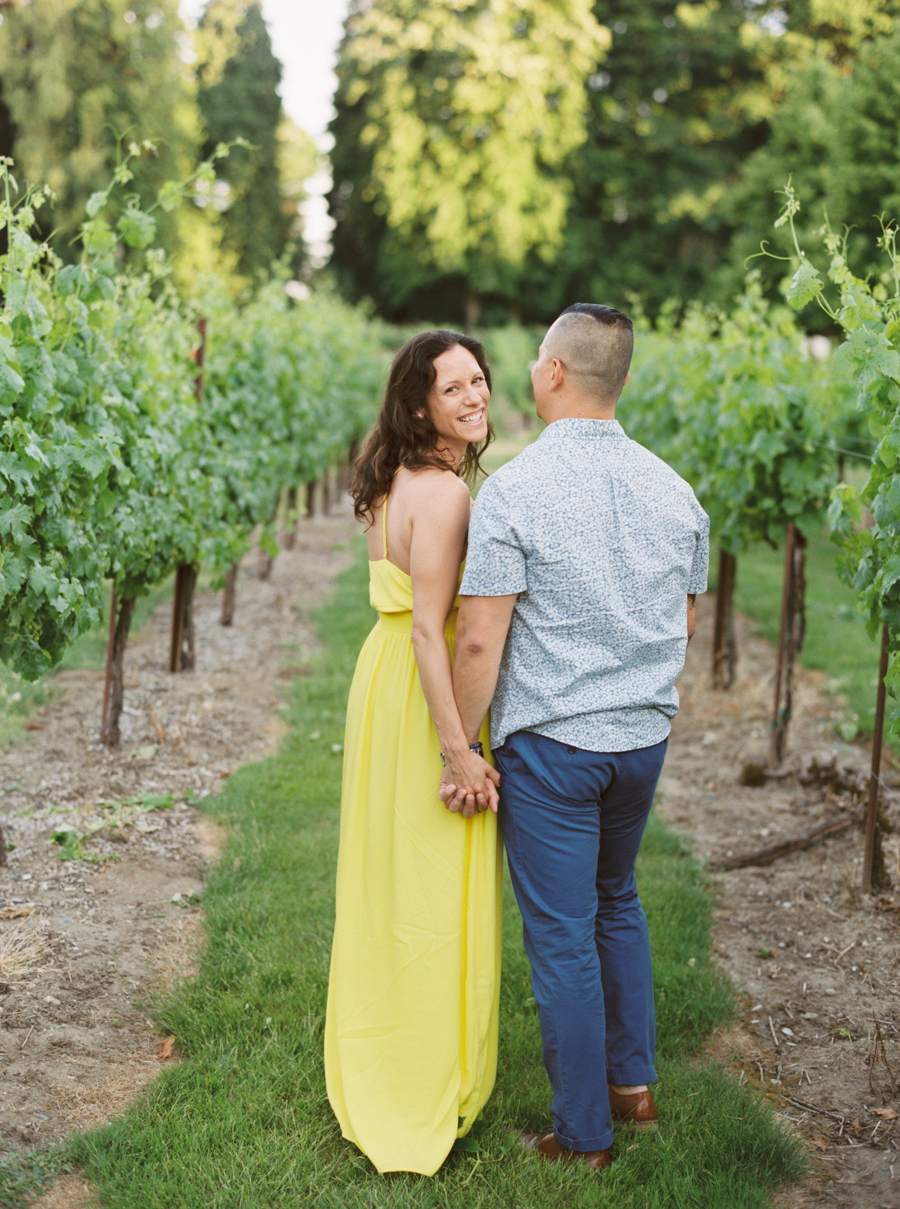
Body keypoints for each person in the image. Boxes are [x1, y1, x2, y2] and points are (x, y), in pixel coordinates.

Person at [444, 303, 709, 1170]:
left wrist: (461, 743)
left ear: (554, 372)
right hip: (642, 740)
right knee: (617, 899)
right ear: (621, 380)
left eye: (533, 363)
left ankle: (583, 1134)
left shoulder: (515, 490)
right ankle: (633, 1085)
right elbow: (684, 621)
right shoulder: (676, 490)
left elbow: (480, 638)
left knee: (561, 932)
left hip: (555, 748)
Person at [324, 329, 503, 1177]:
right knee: (432, 880)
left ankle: (389, 1041)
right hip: (416, 693)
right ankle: (420, 1070)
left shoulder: (390, 478)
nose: (474, 396)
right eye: (454, 387)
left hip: (380, 676)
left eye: (480, 380)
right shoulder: (447, 498)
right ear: (420, 403)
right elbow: (433, 636)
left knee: (389, 871)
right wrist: (458, 746)